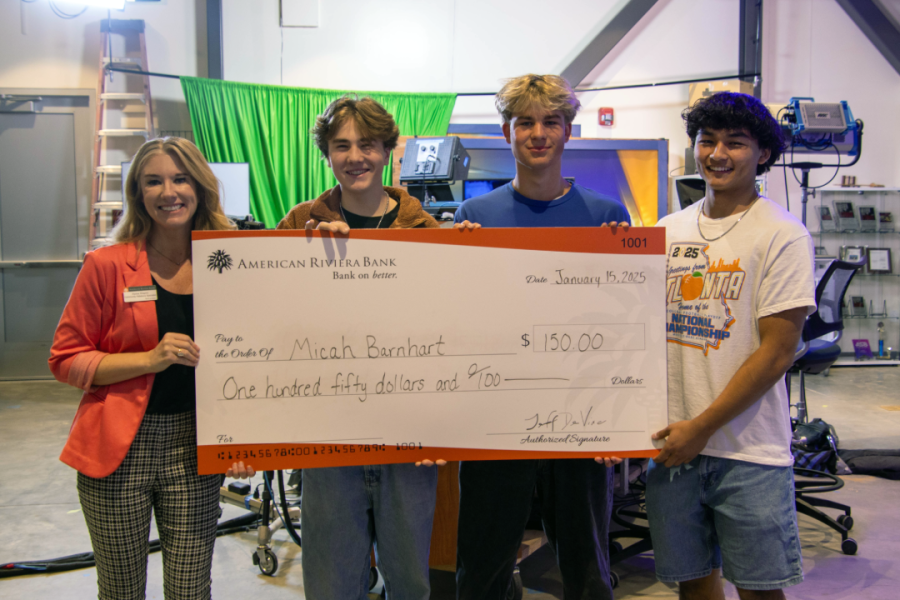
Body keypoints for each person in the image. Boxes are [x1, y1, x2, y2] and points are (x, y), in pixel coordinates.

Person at [453, 73, 630, 600]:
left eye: (550, 122)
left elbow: (625, 327)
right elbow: (458, 320)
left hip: (580, 414)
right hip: (495, 413)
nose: (537, 134)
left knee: (586, 566)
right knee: (481, 567)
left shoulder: (607, 217)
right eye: (524, 122)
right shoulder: (473, 218)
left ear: (568, 131)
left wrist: (622, 418)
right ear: (505, 132)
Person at [49, 137, 242, 600]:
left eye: (180, 179)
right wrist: (149, 360)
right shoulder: (105, 265)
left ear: (200, 187)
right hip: (118, 451)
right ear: (138, 193)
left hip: (196, 447)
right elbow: (65, 358)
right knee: (121, 591)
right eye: (153, 181)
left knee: (190, 590)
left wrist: (244, 439)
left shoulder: (232, 261)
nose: (168, 192)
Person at [645, 92, 814, 600]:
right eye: (707, 140)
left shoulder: (782, 235)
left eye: (735, 143)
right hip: (671, 445)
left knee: (760, 589)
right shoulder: (666, 231)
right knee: (693, 586)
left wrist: (701, 427)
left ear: (763, 153)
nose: (717, 154)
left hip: (748, 451)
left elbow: (777, 352)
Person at [276, 95, 440, 600]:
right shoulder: (300, 224)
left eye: (367, 144)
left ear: (387, 150)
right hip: (329, 438)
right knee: (331, 584)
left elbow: (450, 334)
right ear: (326, 153)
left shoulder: (427, 232)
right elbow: (271, 319)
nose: (355, 157)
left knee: (410, 584)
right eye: (341, 145)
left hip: (407, 438)